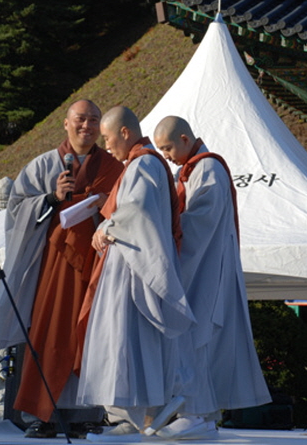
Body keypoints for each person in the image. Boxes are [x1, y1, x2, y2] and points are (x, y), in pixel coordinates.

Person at [0, 99, 124, 438]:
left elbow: (124, 208)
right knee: (48, 333)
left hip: (96, 263)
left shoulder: (112, 165)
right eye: (81, 119)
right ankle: (43, 413)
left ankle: (89, 412)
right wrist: (51, 198)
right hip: (54, 264)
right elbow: (16, 211)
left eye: (94, 120)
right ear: (66, 123)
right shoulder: (44, 165)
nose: (87, 126)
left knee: (90, 336)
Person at [75, 106, 195, 440]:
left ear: (125, 133)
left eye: (109, 138)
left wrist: (108, 226)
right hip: (127, 264)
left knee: (123, 337)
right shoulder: (143, 164)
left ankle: (129, 415)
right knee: (127, 339)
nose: (108, 146)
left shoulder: (143, 162)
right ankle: (133, 414)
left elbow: (138, 209)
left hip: (129, 268)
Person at [152, 116, 271, 439]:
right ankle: (200, 414)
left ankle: (196, 412)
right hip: (203, 265)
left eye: (168, 147)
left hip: (209, 268)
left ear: (184, 138)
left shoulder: (208, 169)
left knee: (197, 338)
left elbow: (199, 222)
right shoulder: (192, 171)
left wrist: (165, 228)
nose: (166, 155)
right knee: (196, 339)